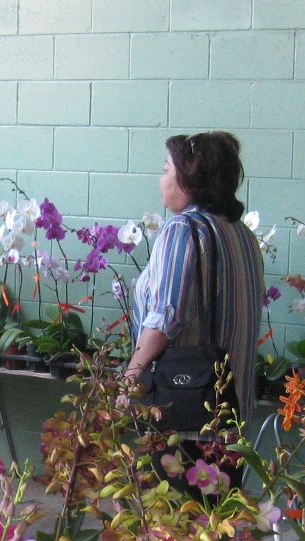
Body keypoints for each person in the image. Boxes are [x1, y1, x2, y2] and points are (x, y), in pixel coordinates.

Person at [123, 132, 265, 425]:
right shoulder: (243, 235)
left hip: (186, 406)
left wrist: (130, 377)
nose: (160, 181)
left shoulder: (183, 229)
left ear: (189, 180)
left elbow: (165, 319)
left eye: (165, 171)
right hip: (231, 413)